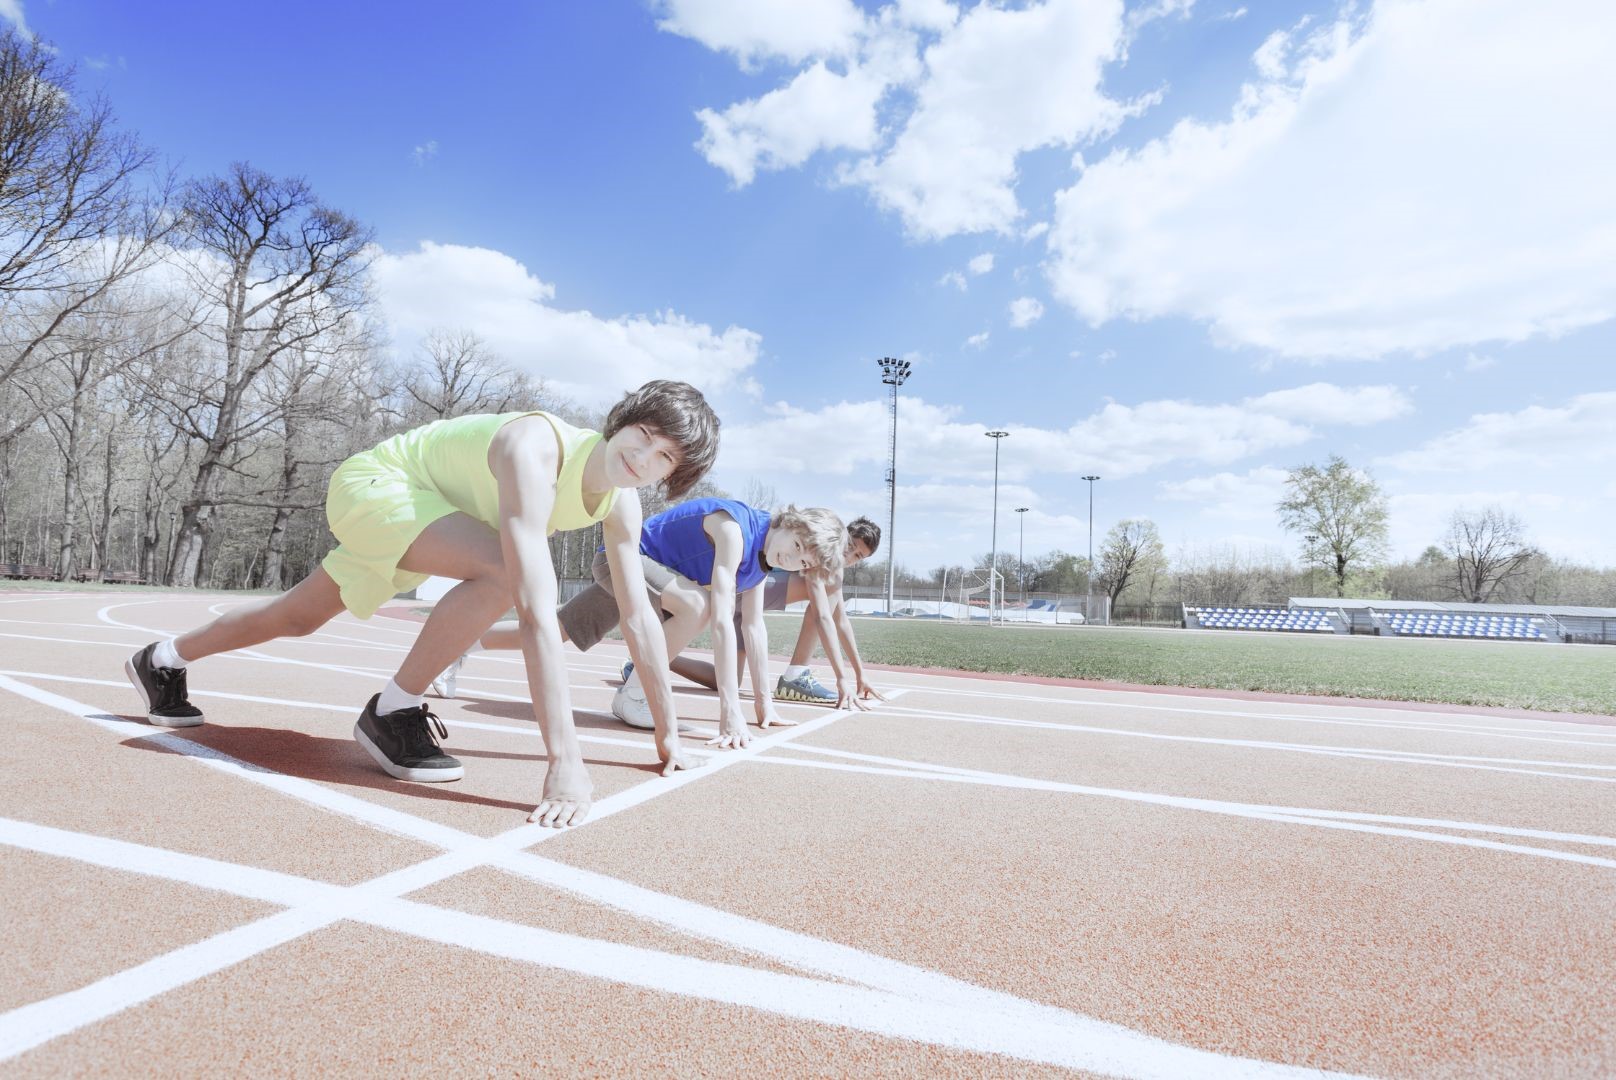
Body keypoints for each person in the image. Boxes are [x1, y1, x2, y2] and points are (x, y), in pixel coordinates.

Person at [123, 380, 720, 829]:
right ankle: (393, 709)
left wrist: (667, 737)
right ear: (621, 422)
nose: (643, 457)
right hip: (384, 488)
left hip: (443, 522)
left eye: (664, 456)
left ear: (673, 474)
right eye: (643, 435)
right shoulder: (535, 446)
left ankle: (164, 658)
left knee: (296, 618)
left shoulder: (619, 502)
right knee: (503, 569)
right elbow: (538, 613)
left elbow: (640, 616)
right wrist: (565, 760)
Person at [473, 499, 847, 746]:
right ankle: (634, 695)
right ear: (788, 522)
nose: (791, 559)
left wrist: (765, 705)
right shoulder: (736, 532)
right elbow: (719, 620)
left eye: (801, 563)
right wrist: (729, 711)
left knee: (558, 631)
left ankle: (462, 642)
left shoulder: (763, 564)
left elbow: (753, 629)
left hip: (655, 581)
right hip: (622, 560)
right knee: (697, 605)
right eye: (795, 546)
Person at [653, 515, 886, 708]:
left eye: (857, 556)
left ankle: (655, 658)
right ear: (842, 536)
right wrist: (841, 677)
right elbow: (822, 615)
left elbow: (841, 621)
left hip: (744, 602)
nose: (849, 555)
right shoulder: (819, 555)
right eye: (850, 546)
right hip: (745, 590)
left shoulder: (836, 572)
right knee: (826, 596)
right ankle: (796, 674)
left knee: (725, 679)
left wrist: (860, 673)